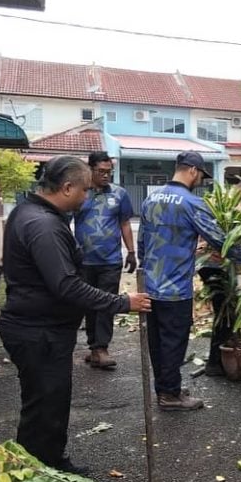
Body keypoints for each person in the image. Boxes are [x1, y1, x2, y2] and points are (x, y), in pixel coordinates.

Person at [0, 156, 151, 473]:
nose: (87, 196)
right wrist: (123, 302)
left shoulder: (32, 212)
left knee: (49, 404)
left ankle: (49, 465)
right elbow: (66, 286)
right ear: (67, 187)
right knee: (44, 407)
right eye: (84, 189)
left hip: (43, 329)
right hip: (38, 332)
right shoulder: (43, 225)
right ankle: (36, 478)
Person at [138, 152, 241, 409]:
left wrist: (144, 271)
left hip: (150, 285)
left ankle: (165, 387)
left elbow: (142, 242)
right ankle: (169, 395)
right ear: (192, 170)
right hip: (175, 288)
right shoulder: (190, 203)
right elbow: (219, 239)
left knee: (157, 342)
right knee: (174, 340)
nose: (200, 181)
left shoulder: (150, 199)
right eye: (201, 175)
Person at [74, 151, 137, 369]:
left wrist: (131, 251)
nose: (105, 176)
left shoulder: (119, 194)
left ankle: (102, 348)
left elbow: (125, 223)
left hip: (110, 260)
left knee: (106, 304)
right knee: (88, 304)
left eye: (109, 172)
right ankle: (94, 348)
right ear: (89, 169)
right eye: (101, 171)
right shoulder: (79, 193)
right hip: (84, 261)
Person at [198, 176, 241, 378]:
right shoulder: (230, 209)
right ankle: (215, 363)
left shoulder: (222, 204)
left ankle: (231, 355)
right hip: (215, 266)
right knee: (224, 312)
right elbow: (226, 243)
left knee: (230, 311)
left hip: (217, 265)